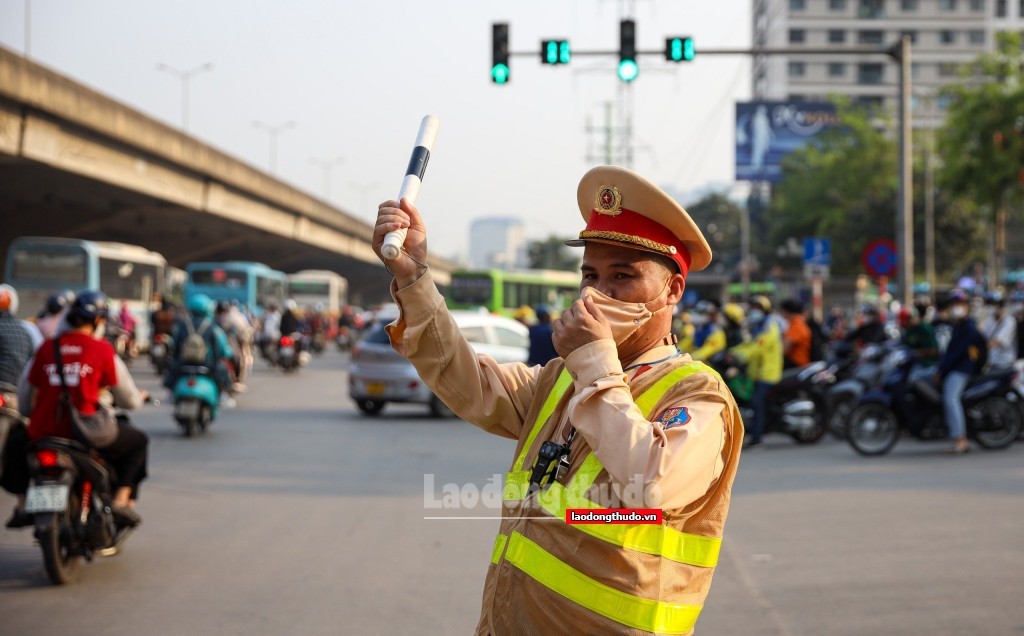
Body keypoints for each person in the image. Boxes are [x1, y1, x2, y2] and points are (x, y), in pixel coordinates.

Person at [373, 165, 743, 635]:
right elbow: (465, 379)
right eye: (590, 274)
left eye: (623, 276)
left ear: (672, 290)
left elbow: (653, 485)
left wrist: (593, 362)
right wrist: (413, 275)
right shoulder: (561, 379)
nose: (598, 293)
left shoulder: (697, 393)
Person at [6, 291, 148, 528]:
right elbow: (128, 400)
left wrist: (33, 417)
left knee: (13, 445)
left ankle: (22, 504)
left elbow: (24, 395)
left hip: (42, 432)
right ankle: (121, 501)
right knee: (138, 441)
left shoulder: (46, 348)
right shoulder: (102, 350)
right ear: (98, 321)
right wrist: (139, 398)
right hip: (87, 432)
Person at [933, 290, 987, 455]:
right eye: (954, 305)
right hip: (954, 367)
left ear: (967, 307)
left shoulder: (969, 327)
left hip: (962, 370)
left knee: (950, 398)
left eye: (960, 305)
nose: (957, 308)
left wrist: (942, 370)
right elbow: (949, 351)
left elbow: (958, 353)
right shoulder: (958, 326)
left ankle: (961, 440)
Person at [729, 295, 783, 448]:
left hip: (768, 374)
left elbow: (758, 347)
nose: (754, 311)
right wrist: (733, 351)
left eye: (758, 308)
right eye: (753, 308)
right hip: (756, 372)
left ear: (765, 310)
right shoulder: (757, 326)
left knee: (756, 403)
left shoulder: (769, 326)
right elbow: (748, 344)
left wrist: (741, 356)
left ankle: (757, 438)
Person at [167, 294, 236, 405]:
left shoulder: (181, 326)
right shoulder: (213, 328)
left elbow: (174, 346)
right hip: (208, 365)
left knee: (172, 367)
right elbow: (223, 350)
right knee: (223, 370)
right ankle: (224, 396)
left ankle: (170, 393)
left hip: (183, 364)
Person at [982, 293, 1017, 373]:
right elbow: (982, 336)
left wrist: (979, 348)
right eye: (989, 304)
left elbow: (996, 342)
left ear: (1001, 306)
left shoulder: (1009, 321)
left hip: (1004, 364)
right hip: (990, 363)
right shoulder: (990, 320)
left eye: (994, 304)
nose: (991, 307)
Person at [780, 299, 812, 369]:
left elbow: (785, 348)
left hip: (797, 364)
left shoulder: (796, 325)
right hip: (799, 363)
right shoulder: (800, 322)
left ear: (786, 311)